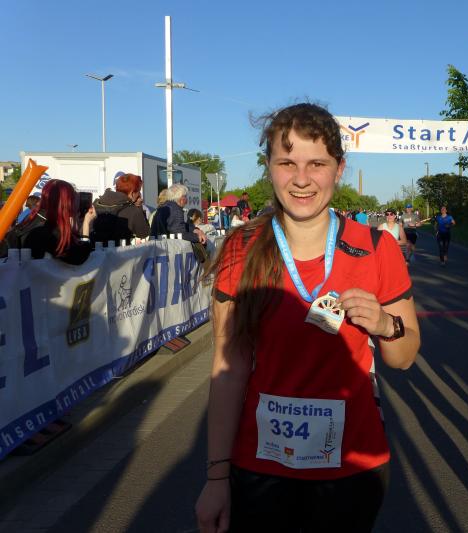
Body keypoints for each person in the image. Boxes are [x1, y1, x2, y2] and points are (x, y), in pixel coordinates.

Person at [195, 103, 420, 533]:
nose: (301, 179)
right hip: (261, 465)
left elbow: (404, 357)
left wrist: (384, 325)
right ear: (269, 167)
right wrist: (216, 478)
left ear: (339, 169)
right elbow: (228, 370)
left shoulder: (377, 248)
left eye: (317, 163)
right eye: (287, 163)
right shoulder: (241, 248)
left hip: (353, 465)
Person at [24, 179, 97, 265]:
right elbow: (78, 257)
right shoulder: (47, 231)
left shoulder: (40, 219)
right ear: (66, 202)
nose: (78, 199)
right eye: (74, 196)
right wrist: (86, 225)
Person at [91, 173, 150, 245]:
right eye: (138, 191)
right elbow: (144, 233)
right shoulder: (133, 211)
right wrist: (139, 206)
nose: (139, 194)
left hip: (95, 250)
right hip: (120, 250)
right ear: (132, 193)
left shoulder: (97, 204)